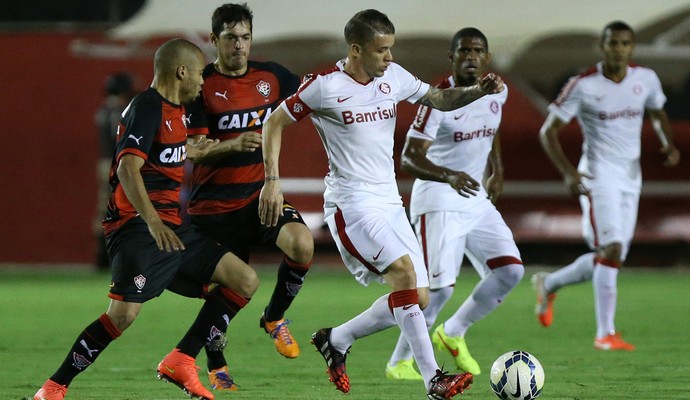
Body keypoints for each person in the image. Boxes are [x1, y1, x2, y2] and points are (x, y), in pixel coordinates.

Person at [259, 9, 504, 399]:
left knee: (419, 298)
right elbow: (274, 122)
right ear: (356, 50)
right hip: (352, 205)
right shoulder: (323, 87)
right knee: (406, 277)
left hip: (390, 203)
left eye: (391, 48)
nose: (389, 57)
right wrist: (272, 181)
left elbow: (439, 98)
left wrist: (478, 92)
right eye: (381, 50)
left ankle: (336, 339)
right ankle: (434, 380)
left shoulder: (393, 76)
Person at [33, 38, 259, 400]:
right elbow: (127, 167)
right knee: (122, 315)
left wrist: (232, 145)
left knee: (243, 279)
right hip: (138, 227)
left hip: (172, 228)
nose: (203, 81)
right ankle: (53, 388)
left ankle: (182, 359)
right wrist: (153, 221)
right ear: (182, 71)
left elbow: (185, 151)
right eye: (200, 73)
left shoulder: (178, 110)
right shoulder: (147, 107)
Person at [181, 3, 314, 391]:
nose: (239, 46)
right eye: (230, 38)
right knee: (232, 289)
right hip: (213, 208)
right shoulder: (201, 85)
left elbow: (313, 93)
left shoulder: (272, 77)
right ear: (213, 40)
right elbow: (191, 149)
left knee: (302, 245)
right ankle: (216, 364)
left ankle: (274, 317)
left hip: (259, 199)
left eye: (245, 38)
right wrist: (233, 144)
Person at [384, 27, 524, 381]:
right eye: (464, 51)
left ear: (487, 58)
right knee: (438, 290)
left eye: (478, 51)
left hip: (475, 198)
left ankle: (454, 332)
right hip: (439, 200)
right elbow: (409, 158)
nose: (471, 57)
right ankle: (399, 362)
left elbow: (491, 131)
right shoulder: (437, 100)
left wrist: (498, 170)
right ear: (453, 58)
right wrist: (448, 175)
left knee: (510, 271)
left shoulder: (498, 91)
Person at [532, 21, 680, 351]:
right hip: (598, 175)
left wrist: (667, 142)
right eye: (613, 43)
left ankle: (550, 283)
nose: (619, 49)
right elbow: (548, 132)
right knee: (610, 250)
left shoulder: (646, 79)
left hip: (631, 176)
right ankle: (605, 334)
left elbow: (657, 112)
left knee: (611, 257)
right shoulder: (583, 84)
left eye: (625, 43)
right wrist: (570, 173)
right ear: (603, 46)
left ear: (632, 48)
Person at [93, 71, 136, 270]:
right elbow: (119, 138)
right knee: (121, 207)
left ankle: (101, 255)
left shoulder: (102, 110)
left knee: (104, 207)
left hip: (103, 161)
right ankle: (111, 256)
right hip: (115, 163)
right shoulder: (119, 110)